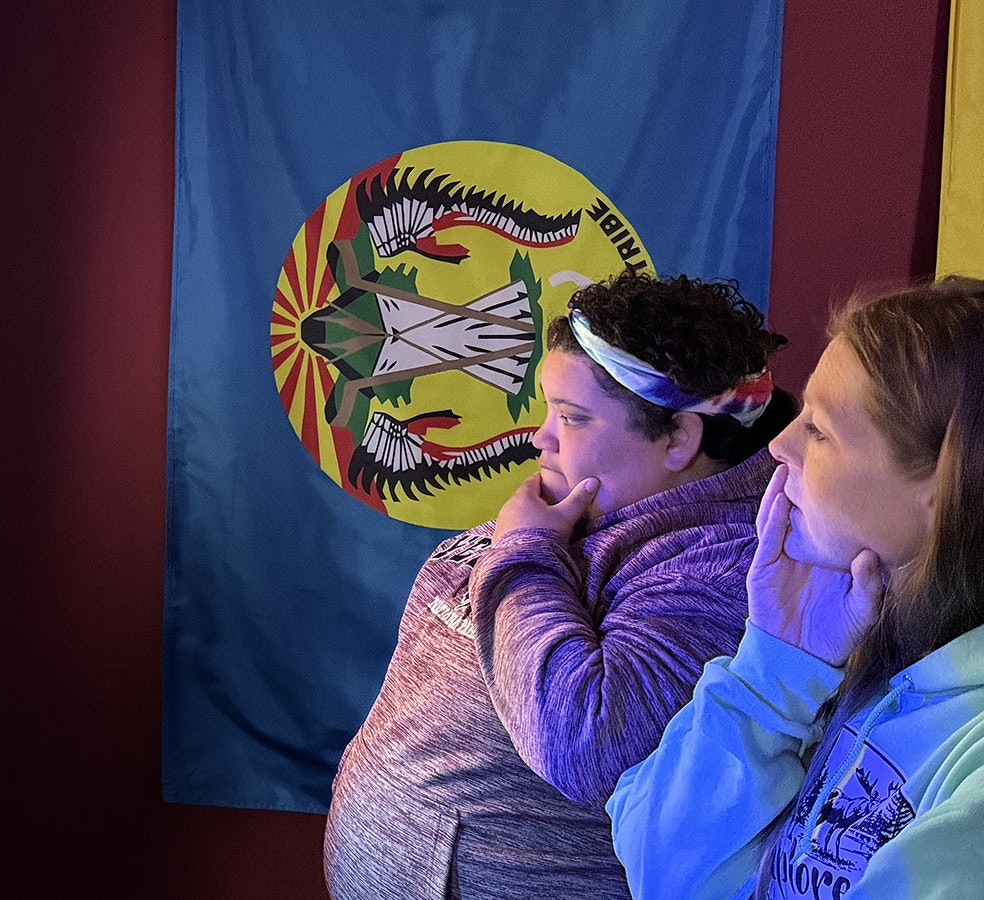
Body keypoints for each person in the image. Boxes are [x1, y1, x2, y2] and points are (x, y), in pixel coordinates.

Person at [607, 277, 984, 899]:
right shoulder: (867, 631)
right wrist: (771, 670)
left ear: (947, 483)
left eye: (820, 430)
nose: (779, 444)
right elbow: (655, 864)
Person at [325, 270, 797, 899]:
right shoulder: (591, 501)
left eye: (572, 419)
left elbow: (587, 743)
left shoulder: (721, 564)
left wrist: (523, 550)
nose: (539, 437)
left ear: (680, 439)